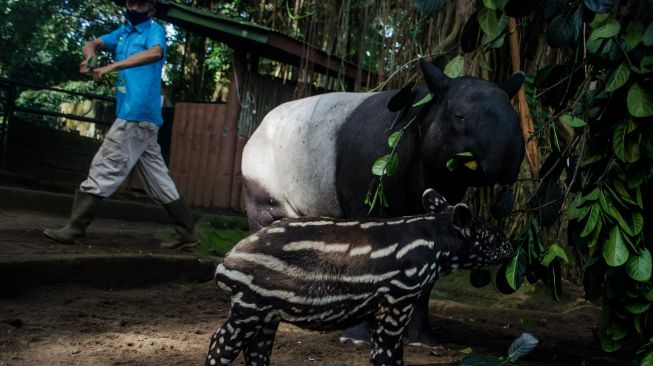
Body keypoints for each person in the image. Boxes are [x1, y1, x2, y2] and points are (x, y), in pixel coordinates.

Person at [43, 0, 197, 250]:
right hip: (143, 118)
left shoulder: (153, 31)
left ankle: (75, 228)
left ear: (152, 9)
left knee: (105, 164)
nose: (134, 8)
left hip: (136, 114)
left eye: (141, 4)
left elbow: (156, 52)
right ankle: (187, 232)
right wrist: (91, 56)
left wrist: (112, 65)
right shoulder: (123, 33)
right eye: (131, 3)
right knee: (159, 180)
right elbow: (92, 43)